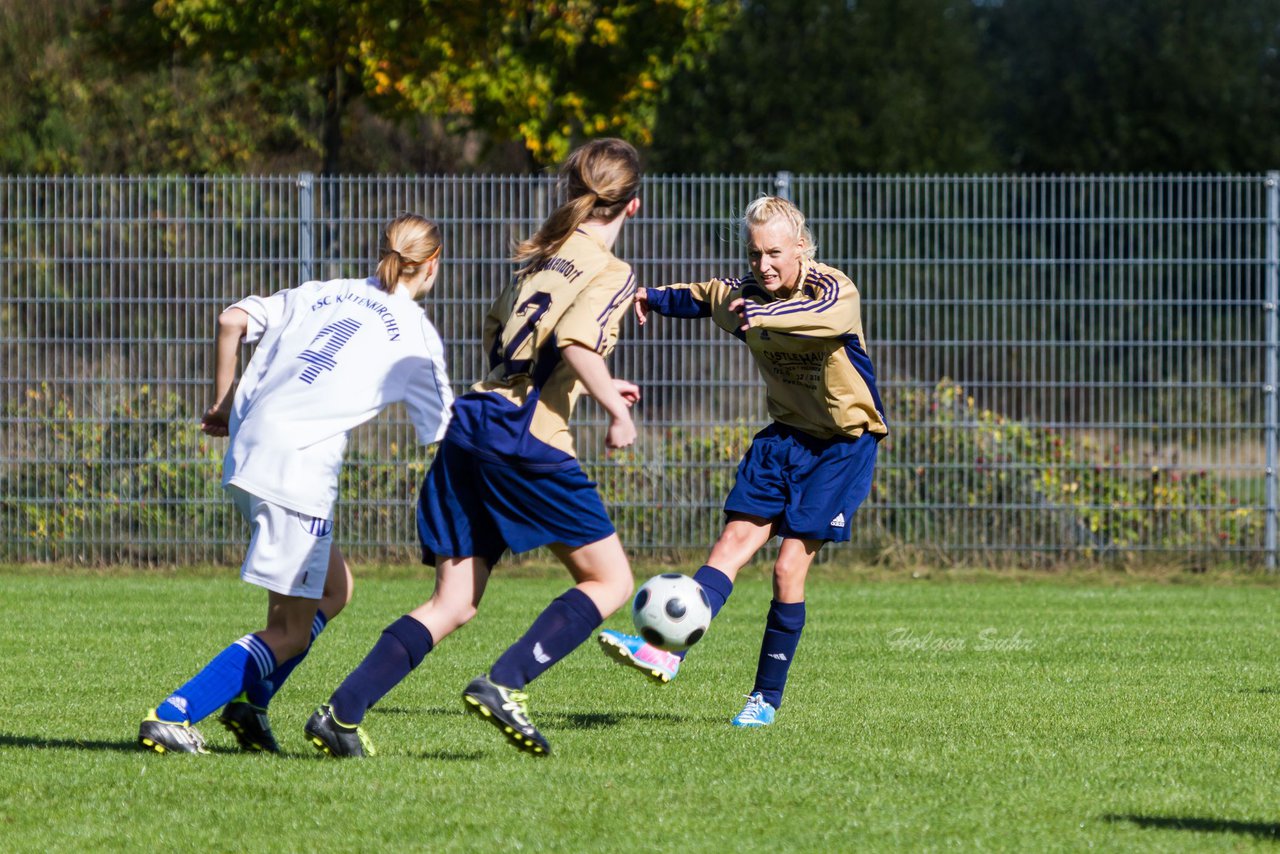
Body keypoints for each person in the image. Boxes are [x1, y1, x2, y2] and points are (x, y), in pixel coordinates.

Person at [305, 138, 643, 758]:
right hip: (526, 436)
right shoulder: (611, 270)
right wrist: (615, 408)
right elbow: (573, 342)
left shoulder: (542, 255)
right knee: (612, 580)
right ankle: (505, 683)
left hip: (474, 418)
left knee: (454, 601)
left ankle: (340, 713)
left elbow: (504, 334)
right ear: (634, 207)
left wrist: (583, 378)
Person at [137, 214, 454, 754]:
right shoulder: (415, 331)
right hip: (298, 472)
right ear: (431, 265)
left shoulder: (326, 292)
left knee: (334, 591)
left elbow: (231, 320)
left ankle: (250, 707)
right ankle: (174, 713)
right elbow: (445, 428)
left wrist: (223, 400)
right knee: (290, 630)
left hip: (250, 452)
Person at [598, 195, 887, 727]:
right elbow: (707, 296)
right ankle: (665, 652)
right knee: (730, 545)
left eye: (775, 253)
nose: (764, 265)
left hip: (842, 447)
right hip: (784, 439)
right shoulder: (748, 295)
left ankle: (765, 700)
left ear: (802, 247)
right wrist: (650, 297)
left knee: (785, 569)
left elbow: (823, 318)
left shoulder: (833, 288)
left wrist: (764, 314)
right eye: (755, 255)